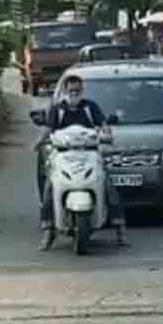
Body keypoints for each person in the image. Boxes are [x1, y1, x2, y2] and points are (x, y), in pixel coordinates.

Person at [36, 74, 126, 250]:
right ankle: (48, 231)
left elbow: (103, 125)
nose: (74, 93)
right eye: (71, 90)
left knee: (109, 187)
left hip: (89, 154)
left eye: (77, 90)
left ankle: (120, 230)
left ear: (82, 90)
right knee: (49, 189)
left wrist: (107, 135)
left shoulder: (90, 107)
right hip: (63, 156)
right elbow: (47, 130)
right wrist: (39, 141)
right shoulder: (57, 110)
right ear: (64, 91)